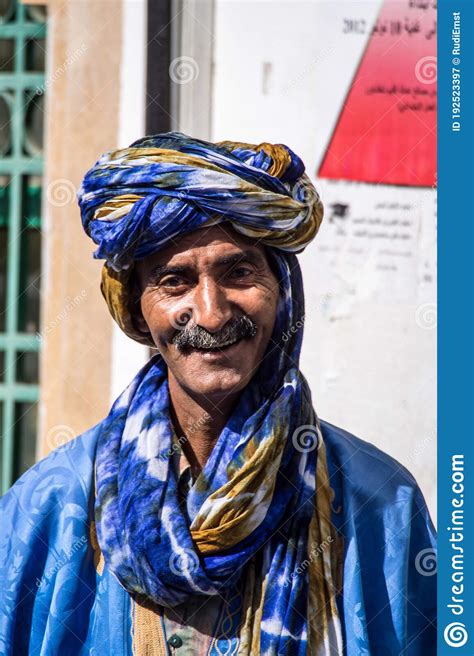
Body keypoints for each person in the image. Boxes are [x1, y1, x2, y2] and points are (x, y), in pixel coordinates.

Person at [0, 132, 436, 655]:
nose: (211, 313)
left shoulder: (376, 502)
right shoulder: (54, 505)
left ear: (283, 293)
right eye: (174, 281)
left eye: (239, 273)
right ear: (138, 308)